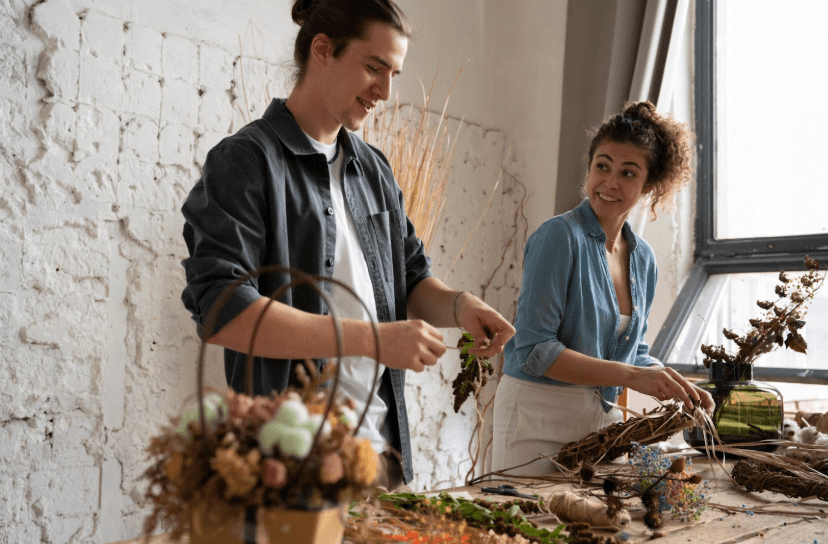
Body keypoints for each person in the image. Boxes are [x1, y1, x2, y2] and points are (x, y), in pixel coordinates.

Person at [180, 0, 515, 490]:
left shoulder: (373, 170)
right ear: (323, 50)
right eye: (374, 67)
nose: (385, 90)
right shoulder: (245, 161)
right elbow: (222, 312)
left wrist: (461, 306)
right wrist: (376, 339)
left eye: (394, 72)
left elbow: (412, 277)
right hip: (289, 464)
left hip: (379, 458)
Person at [491, 102, 714, 476]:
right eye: (602, 166)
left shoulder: (643, 259)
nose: (610, 182)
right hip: (534, 416)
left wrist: (677, 385)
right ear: (590, 166)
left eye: (628, 172)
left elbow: (633, 351)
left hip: (599, 422)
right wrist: (630, 377)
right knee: (528, 530)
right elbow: (535, 351)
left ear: (650, 185)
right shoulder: (558, 237)